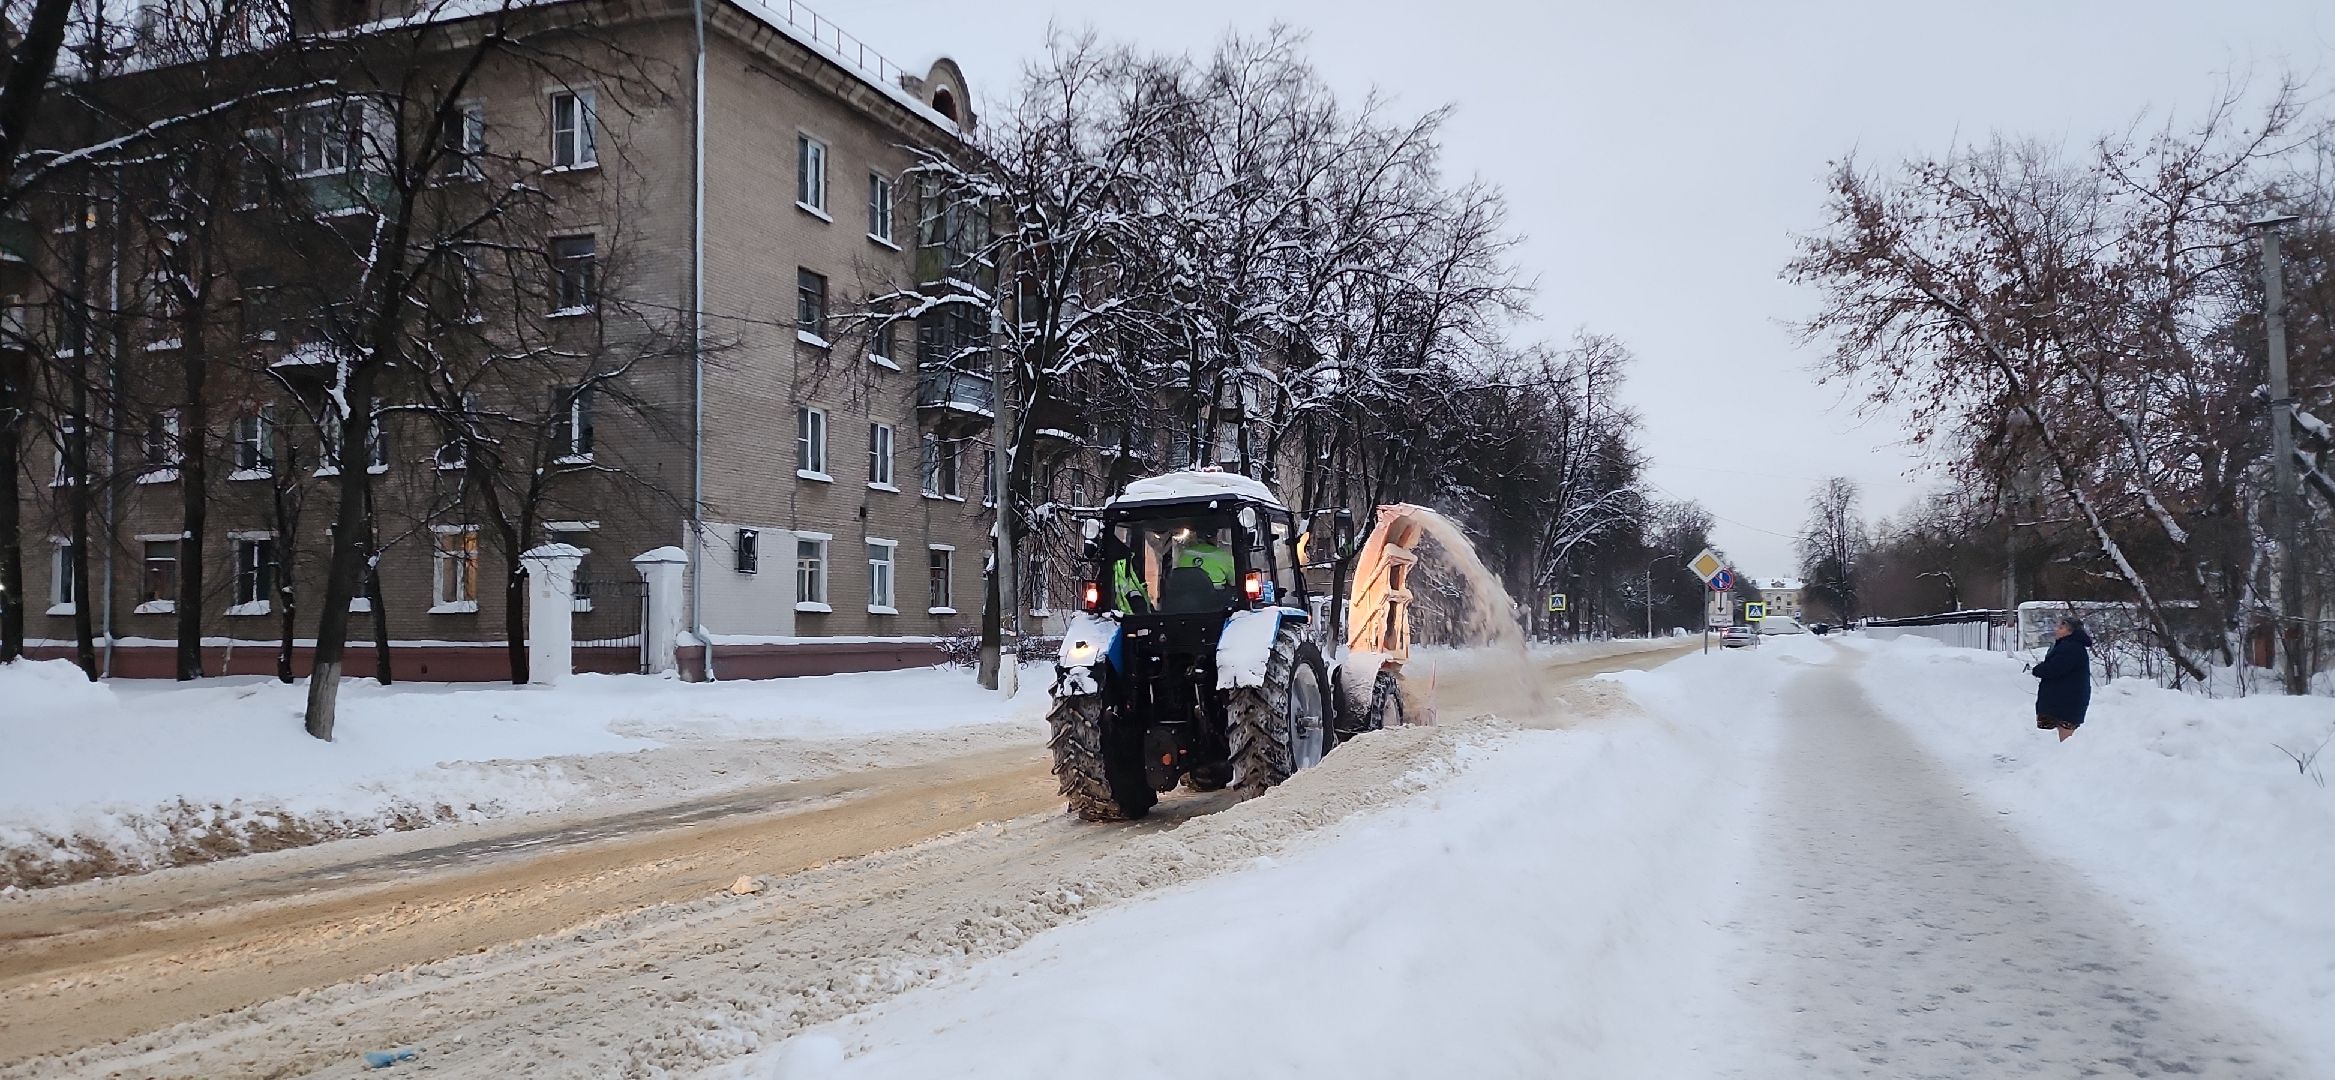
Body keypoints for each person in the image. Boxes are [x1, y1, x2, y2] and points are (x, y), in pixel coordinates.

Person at [2030, 616, 2092, 741]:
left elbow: (2054, 669)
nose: (2056, 630)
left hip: (2065, 702)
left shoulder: (2071, 648)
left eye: (2061, 627)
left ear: (2071, 631)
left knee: (2063, 742)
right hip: (2060, 700)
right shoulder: (2067, 646)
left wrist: (2038, 669)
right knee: (2051, 740)